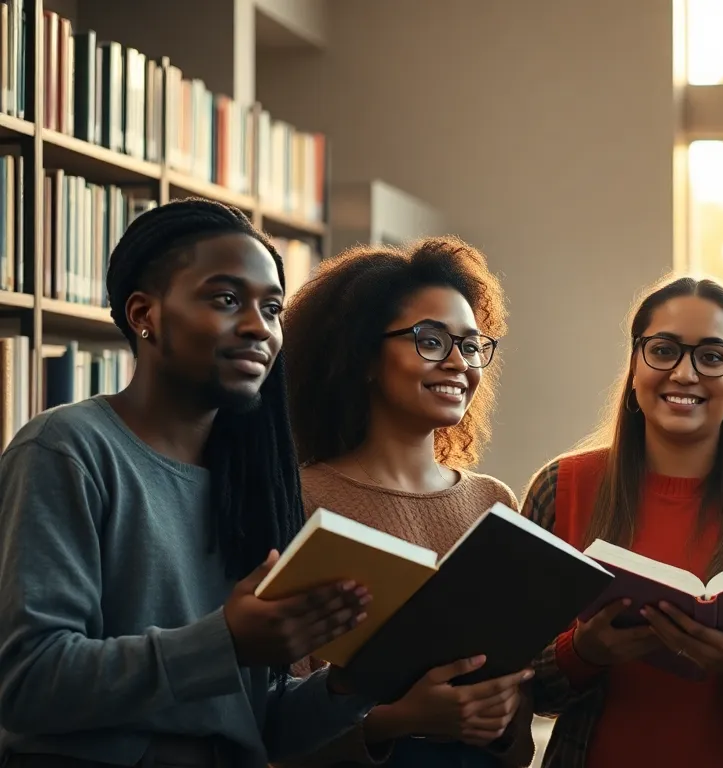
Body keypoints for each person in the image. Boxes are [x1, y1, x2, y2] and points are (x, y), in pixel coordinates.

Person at [0, 198, 375, 768]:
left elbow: (251, 725)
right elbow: (27, 681)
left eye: (272, 308)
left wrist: (349, 687)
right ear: (144, 314)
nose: (259, 327)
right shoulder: (66, 449)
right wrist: (225, 641)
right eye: (226, 300)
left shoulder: (248, 483)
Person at [522, 276, 723, 768]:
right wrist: (582, 653)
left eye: (712, 357)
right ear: (635, 364)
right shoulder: (560, 488)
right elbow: (517, 681)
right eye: (663, 350)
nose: (684, 373)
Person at [279, 237, 535, 768]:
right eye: (431, 341)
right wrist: (401, 720)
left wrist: (504, 716)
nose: (459, 363)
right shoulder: (299, 500)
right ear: (363, 356)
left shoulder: (493, 500)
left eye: (471, 346)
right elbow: (279, 723)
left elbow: (515, 722)